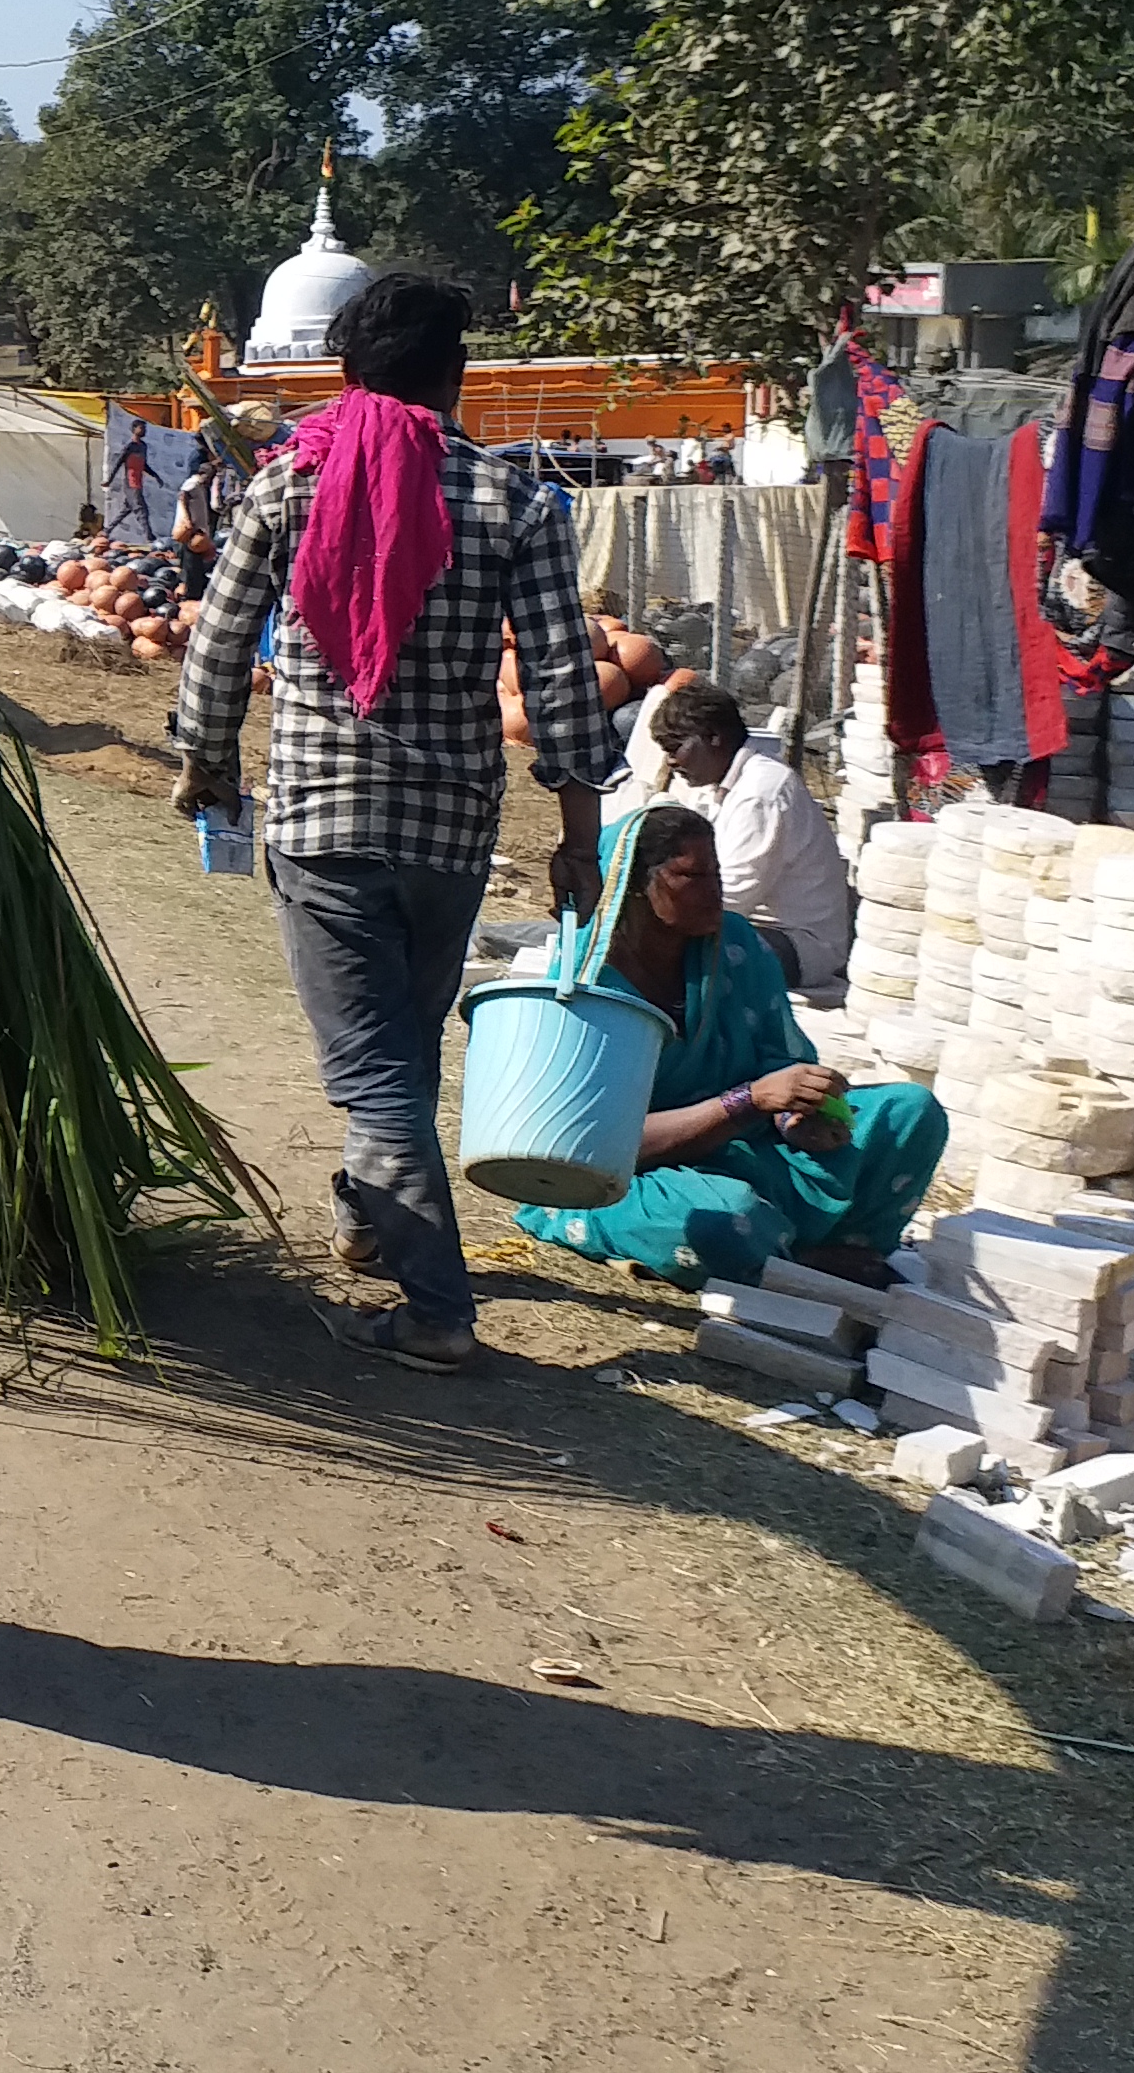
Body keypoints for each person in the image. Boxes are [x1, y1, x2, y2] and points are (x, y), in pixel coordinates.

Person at [172, 271, 623, 1372]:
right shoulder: (514, 502)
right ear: (454, 378)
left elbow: (222, 642)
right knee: (400, 1053)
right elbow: (564, 676)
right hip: (452, 828)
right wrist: (576, 833)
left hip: (325, 821)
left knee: (374, 1072)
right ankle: (371, 1219)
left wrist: (204, 757)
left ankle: (435, 1310)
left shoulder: (291, 485)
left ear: (347, 371)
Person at [515, 809, 947, 1287]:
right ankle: (787, 1262)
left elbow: (781, 1058)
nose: (714, 891)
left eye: (717, 873)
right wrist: (748, 1101)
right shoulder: (586, 987)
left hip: (748, 1150)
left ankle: (821, 1247)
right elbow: (590, 1143)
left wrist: (798, 1116)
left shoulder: (736, 946)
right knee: (727, 1218)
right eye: (692, 876)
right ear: (636, 885)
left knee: (910, 1111)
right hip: (631, 1176)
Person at [648, 676, 850, 998]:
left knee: (668, 953)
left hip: (799, 944)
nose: (671, 762)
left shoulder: (761, 795)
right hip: (756, 928)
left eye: (675, 749)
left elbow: (725, 900)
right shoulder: (725, 784)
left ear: (713, 737)